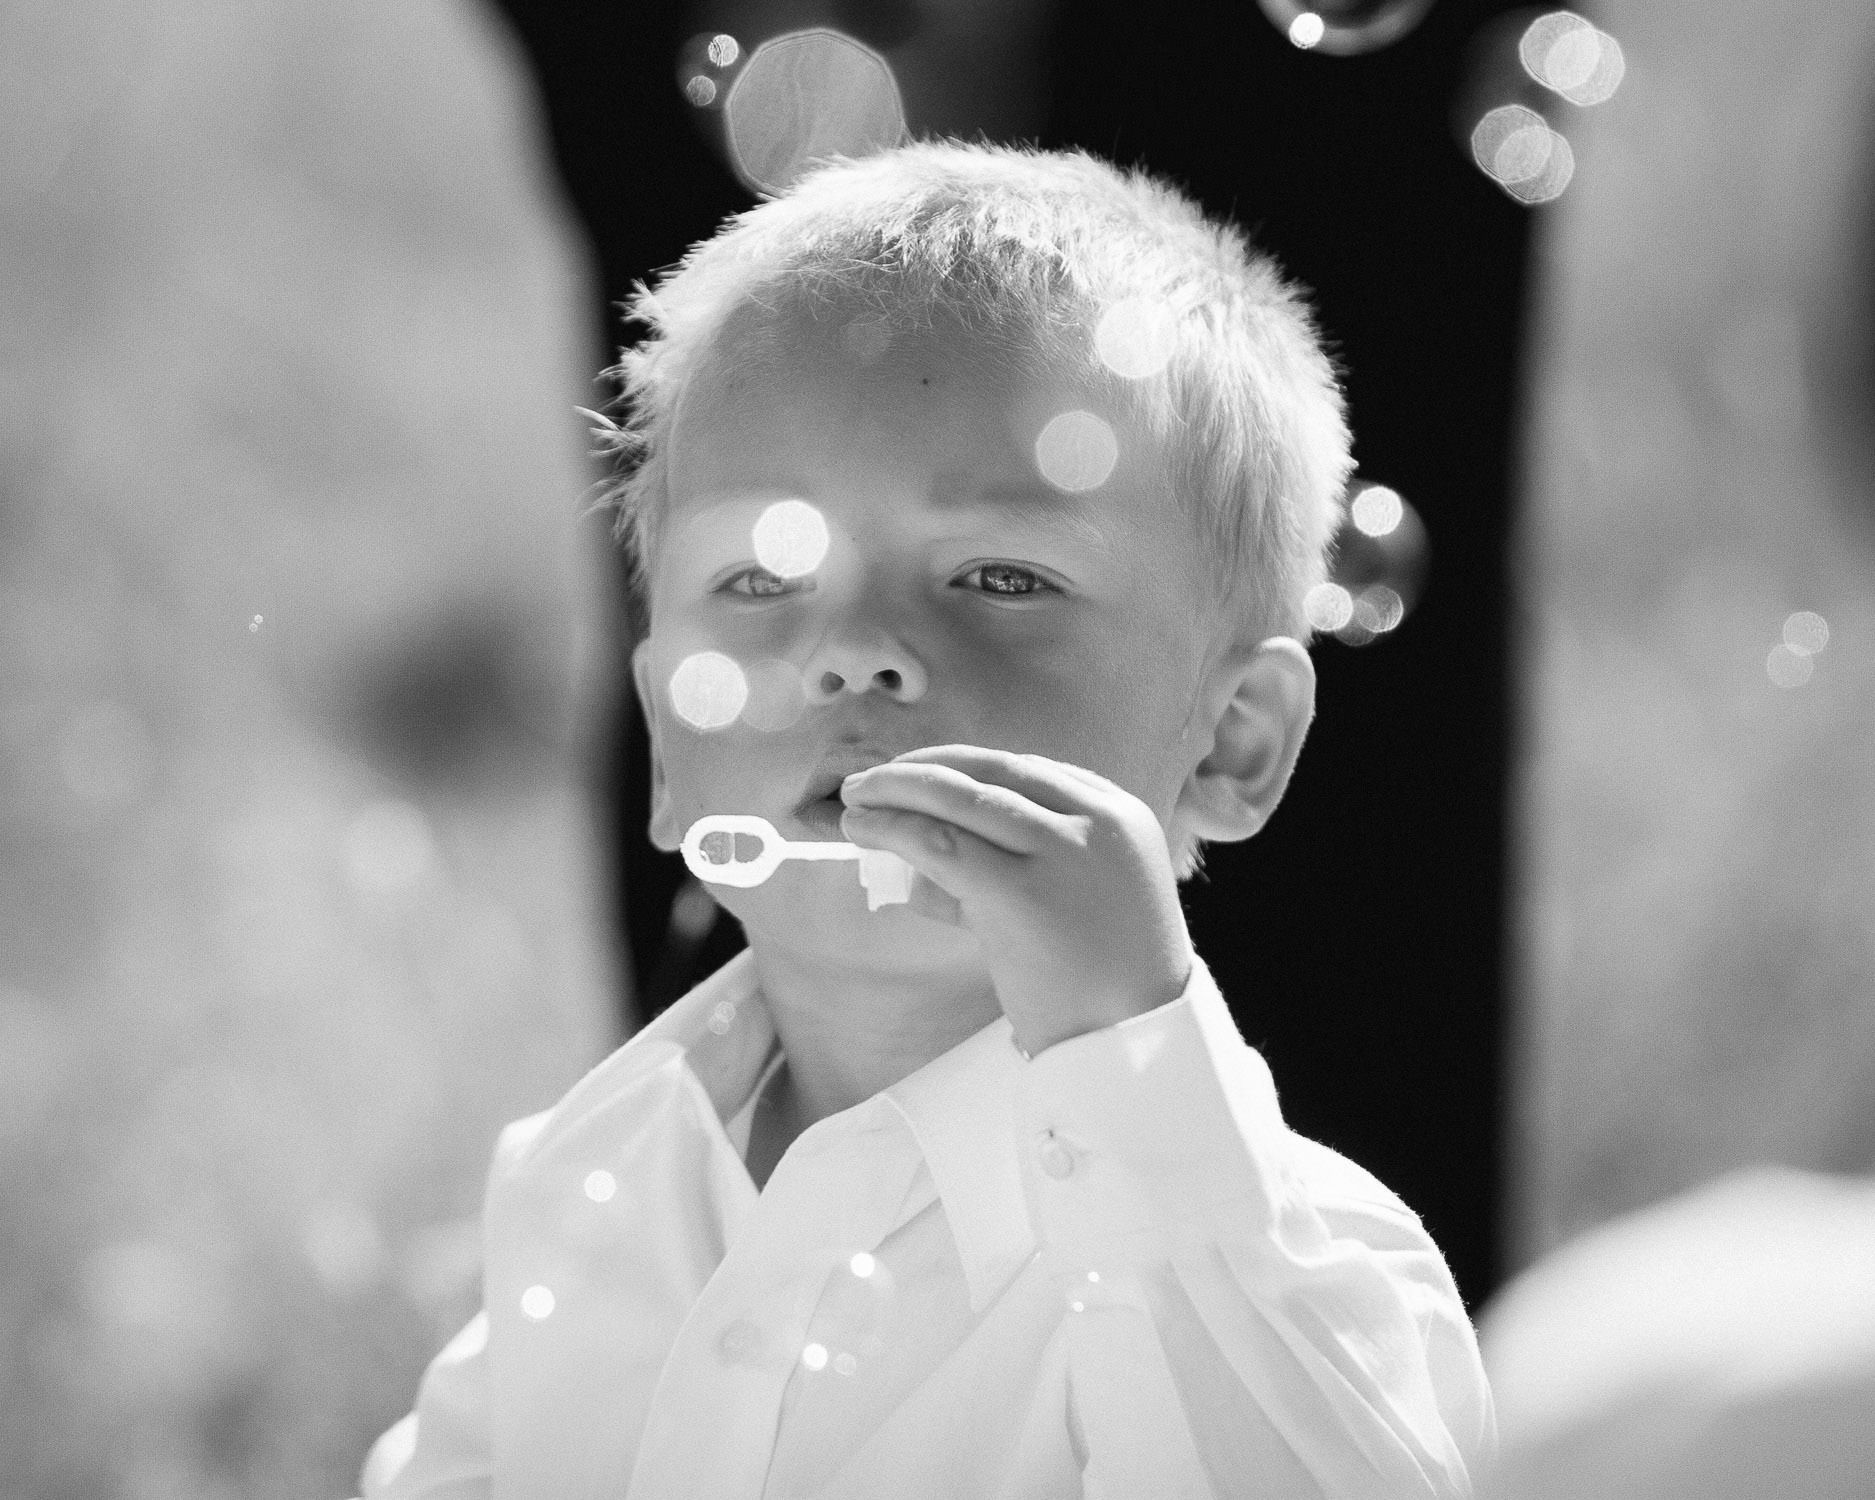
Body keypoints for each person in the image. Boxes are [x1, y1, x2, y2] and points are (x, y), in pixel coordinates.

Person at [360, 140, 1494, 1499]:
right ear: (665, 741)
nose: (856, 651)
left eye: (1001, 577)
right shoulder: (591, 1184)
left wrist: (1120, 1045)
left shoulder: (1294, 1268)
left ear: (1233, 739)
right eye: (761, 577)